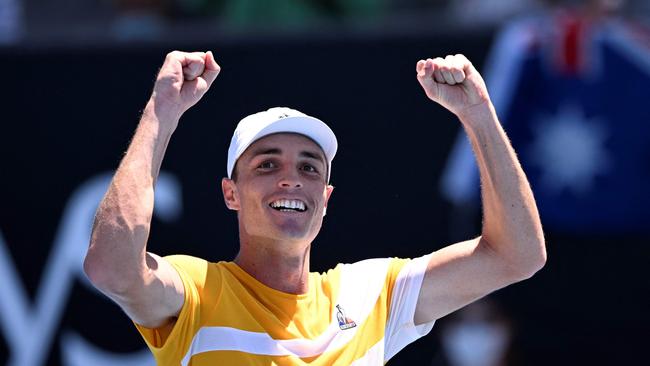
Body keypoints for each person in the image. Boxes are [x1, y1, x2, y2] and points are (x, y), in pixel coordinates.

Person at [83, 50, 546, 365]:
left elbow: (517, 256)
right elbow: (112, 268)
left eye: (309, 168)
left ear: (325, 199)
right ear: (230, 193)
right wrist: (161, 110)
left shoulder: (370, 295)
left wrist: (479, 113)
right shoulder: (199, 290)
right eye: (267, 165)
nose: (291, 178)